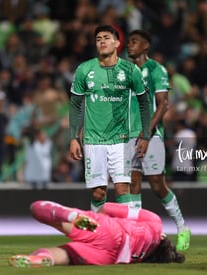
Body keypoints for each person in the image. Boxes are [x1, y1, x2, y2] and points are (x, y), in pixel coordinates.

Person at [69, 25, 151, 212]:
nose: (102, 41)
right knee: (98, 192)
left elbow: (144, 103)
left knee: (123, 188)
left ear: (117, 43)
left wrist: (145, 135)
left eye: (106, 38)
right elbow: (75, 104)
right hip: (93, 139)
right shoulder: (85, 69)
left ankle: (130, 238)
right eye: (98, 39)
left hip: (120, 140)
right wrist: (73, 137)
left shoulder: (131, 71)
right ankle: (98, 235)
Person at [126, 30, 190, 251]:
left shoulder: (156, 70)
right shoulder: (123, 71)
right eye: (128, 42)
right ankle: (136, 236)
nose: (129, 45)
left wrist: (145, 132)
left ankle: (182, 227)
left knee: (156, 185)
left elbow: (163, 105)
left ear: (146, 46)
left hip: (150, 135)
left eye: (134, 42)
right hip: (127, 135)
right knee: (131, 184)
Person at [9, 200, 185, 267]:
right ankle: (40, 259)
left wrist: (96, 217)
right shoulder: (143, 256)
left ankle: (71, 215)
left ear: (163, 238)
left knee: (37, 208)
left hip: (110, 231)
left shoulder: (156, 223)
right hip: (109, 257)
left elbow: (107, 207)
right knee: (65, 255)